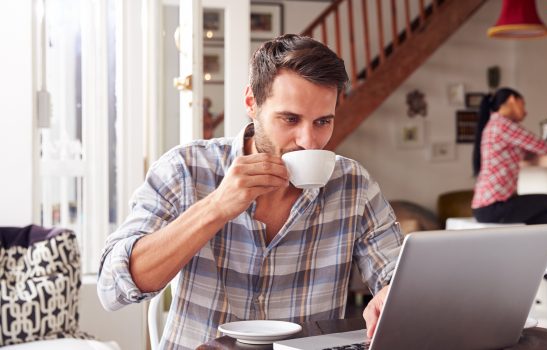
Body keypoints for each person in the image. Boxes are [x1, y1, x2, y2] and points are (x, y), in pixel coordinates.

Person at [97, 34, 402, 349]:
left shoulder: (353, 185)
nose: (309, 140)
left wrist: (391, 292)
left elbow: (399, 275)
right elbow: (112, 289)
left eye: (323, 122)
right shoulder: (186, 168)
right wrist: (216, 207)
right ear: (251, 103)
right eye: (290, 119)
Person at [471, 87, 547, 225]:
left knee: (541, 213)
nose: (525, 111)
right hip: (494, 207)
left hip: (485, 207)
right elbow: (543, 147)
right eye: (523, 104)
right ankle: (546, 244)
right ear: (512, 100)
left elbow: (526, 151)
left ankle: (539, 244)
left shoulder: (494, 124)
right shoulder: (503, 124)